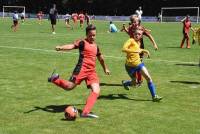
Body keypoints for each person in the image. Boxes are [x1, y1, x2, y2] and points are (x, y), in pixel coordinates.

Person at [48, 24, 110, 118]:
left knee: (96, 90)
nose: (92, 37)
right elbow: (71, 46)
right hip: (81, 69)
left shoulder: (96, 46)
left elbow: (101, 58)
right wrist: (61, 47)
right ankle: (54, 79)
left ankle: (85, 112)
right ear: (86, 34)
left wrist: (105, 68)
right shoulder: (82, 42)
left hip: (92, 71)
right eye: (90, 35)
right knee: (69, 87)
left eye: (94, 35)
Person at [121, 29, 162, 102]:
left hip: (139, 64)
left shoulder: (138, 42)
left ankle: (154, 96)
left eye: (139, 34)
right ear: (134, 34)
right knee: (134, 82)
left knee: (148, 78)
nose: (137, 35)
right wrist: (136, 51)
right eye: (136, 34)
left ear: (141, 36)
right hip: (129, 66)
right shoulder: (130, 40)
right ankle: (125, 83)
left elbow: (139, 49)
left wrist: (145, 51)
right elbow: (124, 49)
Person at [122, 15, 158, 85]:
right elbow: (129, 33)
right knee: (133, 64)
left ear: (138, 22)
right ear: (131, 22)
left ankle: (139, 80)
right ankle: (136, 80)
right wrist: (125, 29)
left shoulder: (141, 28)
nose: (135, 23)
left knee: (138, 64)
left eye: (136, 22)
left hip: (140, 49)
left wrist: (154, 44)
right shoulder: (131, 28)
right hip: (132, 50)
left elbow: (149, 35)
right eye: (133, 22)